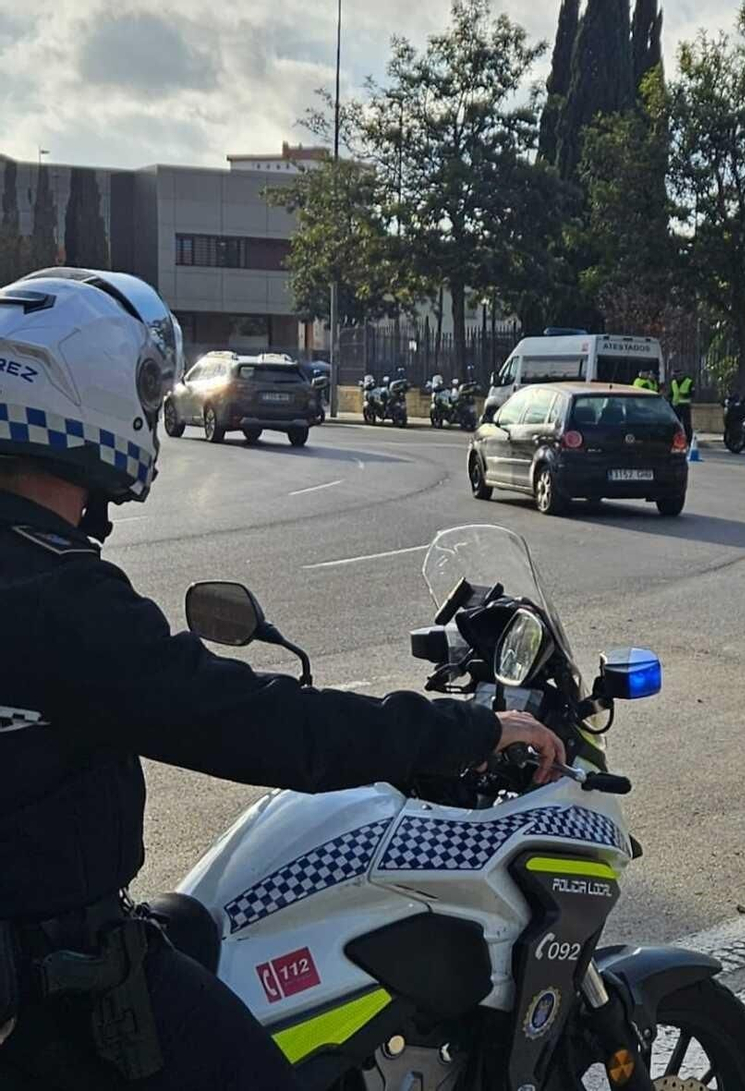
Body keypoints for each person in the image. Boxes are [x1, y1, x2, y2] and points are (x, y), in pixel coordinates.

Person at [0, 268, 568, 1090]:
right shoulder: (55, 597)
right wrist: (464, 734)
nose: (152, 410)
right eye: (141, 388)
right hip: (53, 976)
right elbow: (246, 720)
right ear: (80, 393)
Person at [668, 367, 695, 439]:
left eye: (678, 375)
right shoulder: (673, 382)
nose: (677, 377)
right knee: (676, 424)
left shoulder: (689, 382)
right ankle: (676, 439)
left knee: (687, 424)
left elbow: (692, 394)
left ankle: (689, 439)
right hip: (676, 406)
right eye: (675, 376)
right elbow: (671, 393)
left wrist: (684, 395)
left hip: (685, 405)